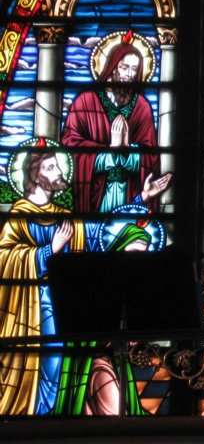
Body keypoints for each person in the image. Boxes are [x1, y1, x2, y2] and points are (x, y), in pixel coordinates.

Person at [0, 144, 169, 416]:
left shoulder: (68, 220)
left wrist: (141, 200)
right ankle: (38, 417)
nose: (58, 171)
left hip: (68, 309)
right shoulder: (18, 218)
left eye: (57, 165)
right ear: (35, 176)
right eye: (50, 167)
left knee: (72, 365)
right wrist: (48, 251)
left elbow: (103, 234)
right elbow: (4, 259)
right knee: (47, 366)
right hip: (32, 312)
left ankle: (69, 412)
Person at [62, 32, 161, 214]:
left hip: (131, 190)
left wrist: (127, 149)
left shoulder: (142, 106)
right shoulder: (85, 101)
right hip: (94, 192)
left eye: (134, 69)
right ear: (112, 67)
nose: (129, 75)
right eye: (124, 67)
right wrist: (108, 153)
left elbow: (151, 155)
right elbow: (69, 144)